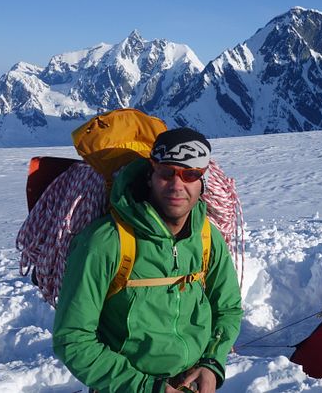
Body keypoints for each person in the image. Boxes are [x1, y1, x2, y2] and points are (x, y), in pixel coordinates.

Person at [53, 128, 243, 393]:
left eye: (190, 174)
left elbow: (228, 308)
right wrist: (146, 388)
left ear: (203, 182)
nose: (177, 185)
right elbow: (72, 339)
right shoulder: (106, 242)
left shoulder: (206, 237)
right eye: (167, 173)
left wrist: (211, 362)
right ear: (150, 175)